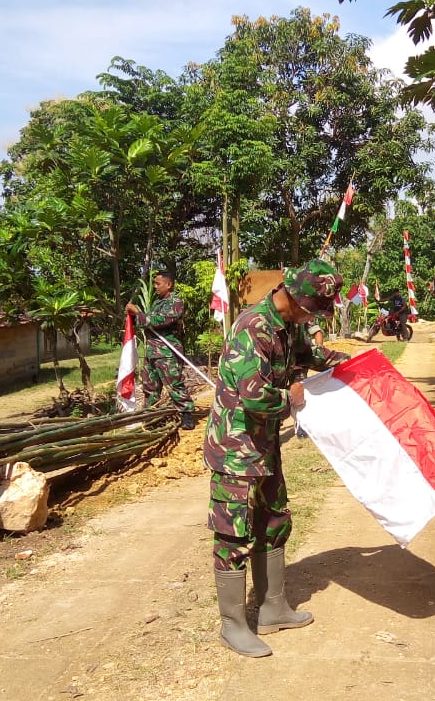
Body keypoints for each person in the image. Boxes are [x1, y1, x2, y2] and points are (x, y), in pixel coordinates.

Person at [203, 259, 349, 657]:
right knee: (234, 532)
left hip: (264, 444)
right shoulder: (254, 326)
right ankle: (232, 624)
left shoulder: (290, 325)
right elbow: (254, 396)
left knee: (273, 520)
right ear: (293, 296)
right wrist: (291, 397)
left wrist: (349, 365)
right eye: (311, 309)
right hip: (236, 448)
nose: (312, 318)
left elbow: (314, 356)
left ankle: (272, 607)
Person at [125, 270, 196, 430]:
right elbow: (146, 323)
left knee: (174, 384)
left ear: (168, 284)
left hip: (167, 352)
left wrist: (138, 313)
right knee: (150, 387)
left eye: (158, 283)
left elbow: (159, 321)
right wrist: (134, 317)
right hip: (152, 351)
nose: (155, 287)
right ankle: (151, 416)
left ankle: (186, 414)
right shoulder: (157, 303)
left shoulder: (175, 302)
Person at [293, 322, 326, 440]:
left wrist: (319, 348)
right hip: (279, 362)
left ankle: (301, 424)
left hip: (300, 361)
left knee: (299, 391)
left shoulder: (304, 315)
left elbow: (317, 332)